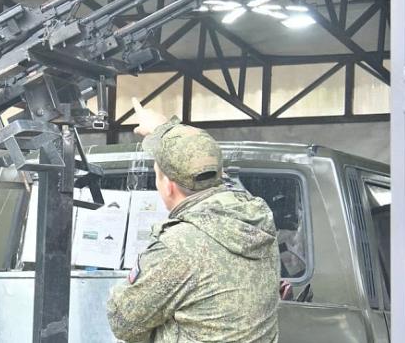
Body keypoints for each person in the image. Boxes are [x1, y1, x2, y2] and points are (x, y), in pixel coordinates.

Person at [106, 107, 280, 342]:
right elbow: (212, 174)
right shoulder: (257, 217)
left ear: (168, 185)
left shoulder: (179, 246)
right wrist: (162, 130)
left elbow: (122, 322)